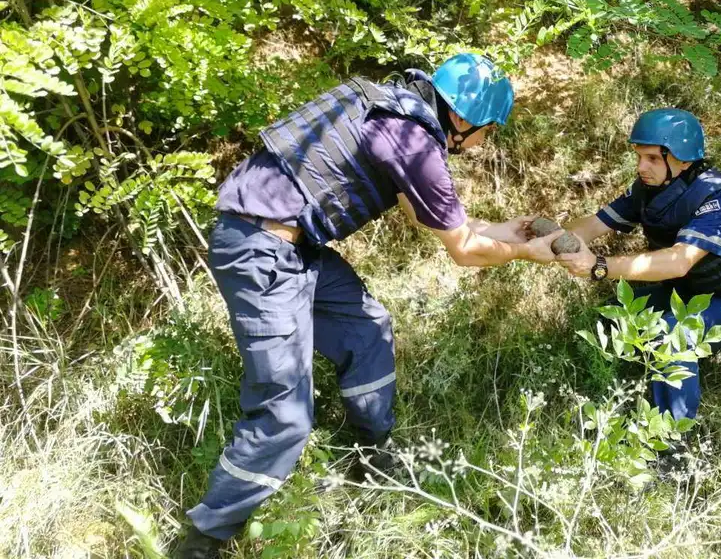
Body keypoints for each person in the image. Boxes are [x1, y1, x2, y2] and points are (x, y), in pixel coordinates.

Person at [177, 54, 560, 557]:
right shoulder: (414, 142)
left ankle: (372, 455)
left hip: (292, 248)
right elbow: (464, 251)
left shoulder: (387, 110)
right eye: (489, 130)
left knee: (368, 328)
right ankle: (202, 538)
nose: (487, 142)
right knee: (285, 415)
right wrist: (527, 252)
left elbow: (434, 218)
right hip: (261, 253)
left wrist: (507, 231)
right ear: (463, 120)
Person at [555, 108, 721, 422]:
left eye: (653, 158)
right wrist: (553, 238)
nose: (641, 166)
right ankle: (610, 393)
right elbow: (594, 224)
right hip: (687, 294)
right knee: (612, 316)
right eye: (639, 157)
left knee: (674, 336)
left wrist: (598, 265)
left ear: (683, 160)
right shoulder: (650, 188)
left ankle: (671, 446)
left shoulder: (719, 199)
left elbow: (678, 262)